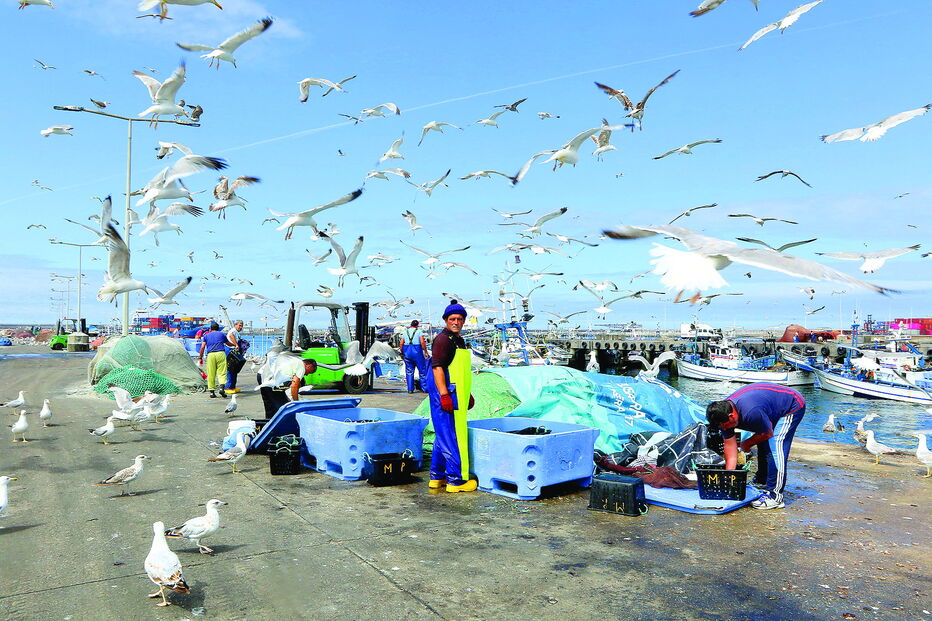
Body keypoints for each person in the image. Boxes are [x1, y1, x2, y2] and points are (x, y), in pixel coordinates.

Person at [705, 383, 806, 510]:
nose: (724, 429)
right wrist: (728, 479)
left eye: (725, 426)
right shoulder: (723, 417)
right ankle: (762, 480)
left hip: (792, 405)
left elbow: (767, 433)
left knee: (776, 447)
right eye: (721, 427)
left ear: (731, 416)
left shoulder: (751, 412)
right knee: (763, 443)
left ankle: (775, 496)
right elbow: (731, 450)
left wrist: (747, 443)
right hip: (768, 408)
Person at [425, 300, 477, 493]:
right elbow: (438, 368)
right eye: (452, 319)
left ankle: (437, 477)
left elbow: (459, 371)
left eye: (460, 319)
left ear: (464, 321)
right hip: (445, 393)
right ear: (446, 320)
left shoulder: (458, 340)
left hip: (457, 391)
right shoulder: (442, 340)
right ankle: (456, 480)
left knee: (442, 434)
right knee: (451, 435)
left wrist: (467, 394)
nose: (456, 322)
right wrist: (444, 395)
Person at [198, 323, 228, 399]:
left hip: (211, 355)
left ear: (210, 329)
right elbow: (228, 343)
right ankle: (221, 387)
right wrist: (235, 345)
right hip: (221, 353)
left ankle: (212, 392)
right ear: (218, 328)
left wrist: (200, 357)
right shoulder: (222, 334)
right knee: (222, 372)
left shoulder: (206, 335)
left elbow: (202, 347)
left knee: (211, 373)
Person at [399, 320, 429, 393]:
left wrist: (402, 353)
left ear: (410, 325)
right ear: (417, 325)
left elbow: (401, 343)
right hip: (417, 352)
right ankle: (424, 389)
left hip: (407, 352)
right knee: (422, 371)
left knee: (409, 371)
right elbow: (422, 342)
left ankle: (410, 389)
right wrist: (425, 352)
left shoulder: (405, 332)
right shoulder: (419, 332)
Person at [225, 320, 247, 391]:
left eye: (242, 326)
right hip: (231, 350)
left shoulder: (236, 332)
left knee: (234, 369)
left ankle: (232, 386)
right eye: (239, 325)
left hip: (234, 351)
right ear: (235, 325)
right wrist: (236, 344)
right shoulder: (233, 331)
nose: (241, 327)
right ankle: (228, 387)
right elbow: (231, 336)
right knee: (231, 368)